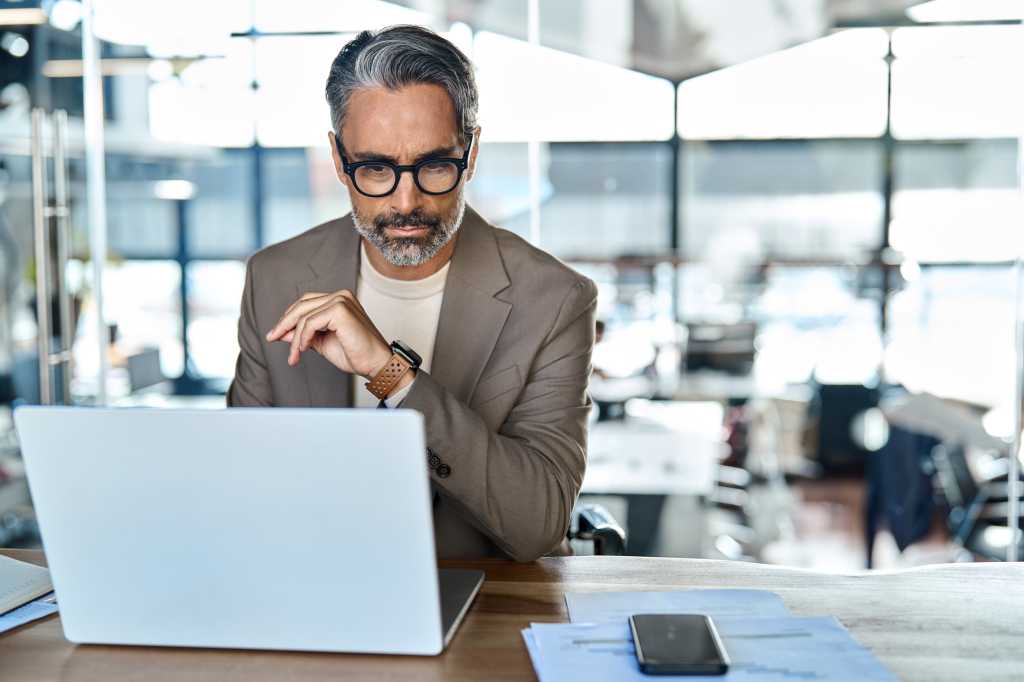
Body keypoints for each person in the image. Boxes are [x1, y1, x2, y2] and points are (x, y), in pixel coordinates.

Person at [228, 25, 597, 562]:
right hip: (311, 585)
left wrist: (391, 374)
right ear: (339, 160)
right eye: (375, 168)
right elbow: (240, 485)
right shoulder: (274, 278)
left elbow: (537, 524)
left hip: (486, 596)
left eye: (434, 166)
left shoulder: (555, 298)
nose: (405, 203)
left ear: (471, 154)